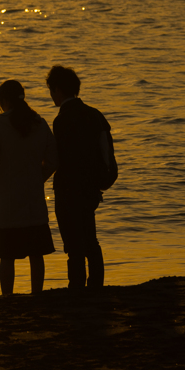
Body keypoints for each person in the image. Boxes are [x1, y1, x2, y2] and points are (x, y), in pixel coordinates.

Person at [0, 80, 58, 295]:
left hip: (8, 201)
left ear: (4, 101)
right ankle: (37, 295)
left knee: (7, 255)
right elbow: (53, 159)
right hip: (33, 198)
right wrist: (38, 178)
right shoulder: (39, 123)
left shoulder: (0, 124)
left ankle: (7, 297)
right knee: (36, 253)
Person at [45, 65, 118, 289]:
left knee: (73, 243)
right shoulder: (94, 115)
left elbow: (60, 158)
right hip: (90, 187)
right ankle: (96, 284)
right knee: (90, 238)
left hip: (68, 188)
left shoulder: (62, 120)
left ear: (57, 89)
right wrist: (100, 183)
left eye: (51, 90)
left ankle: (76, 285)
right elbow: (106, 152)